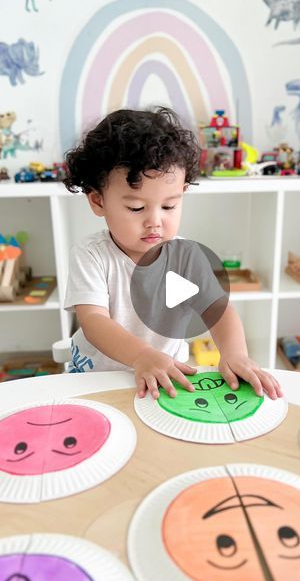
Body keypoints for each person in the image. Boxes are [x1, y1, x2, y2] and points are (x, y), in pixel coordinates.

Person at [63, 107, 283, 400]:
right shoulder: (92, 255)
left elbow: (218, 310)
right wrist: (142, 355)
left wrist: (235, 354)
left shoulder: (185, 257)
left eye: (169, 206)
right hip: (99, 379)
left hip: (164, 377)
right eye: (136, 208)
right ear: (97, 201)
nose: (155, 220)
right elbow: (94, 323)